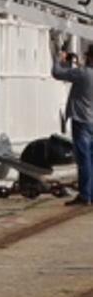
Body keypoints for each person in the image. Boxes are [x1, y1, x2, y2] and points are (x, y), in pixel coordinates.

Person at [53, 45, 93, 206]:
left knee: (84, 160)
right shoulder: (83, 73)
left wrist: (59, 59)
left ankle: (85, 195)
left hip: (81, 120)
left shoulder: (83, 73)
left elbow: (57, 73)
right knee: (91, 158)